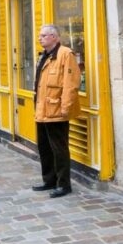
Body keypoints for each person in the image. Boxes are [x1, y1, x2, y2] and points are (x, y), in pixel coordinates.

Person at [31, 24, 80, 199]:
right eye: (39, 35)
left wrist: (65, 108)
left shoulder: (65, 54)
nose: (40, 38)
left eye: (43, 35)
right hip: (42, 110)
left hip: (57, 111)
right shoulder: (44, 56)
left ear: (54, 37)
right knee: (44, 148)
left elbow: (71, 83)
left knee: (59, 149)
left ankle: (64, 184)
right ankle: (49, 180)